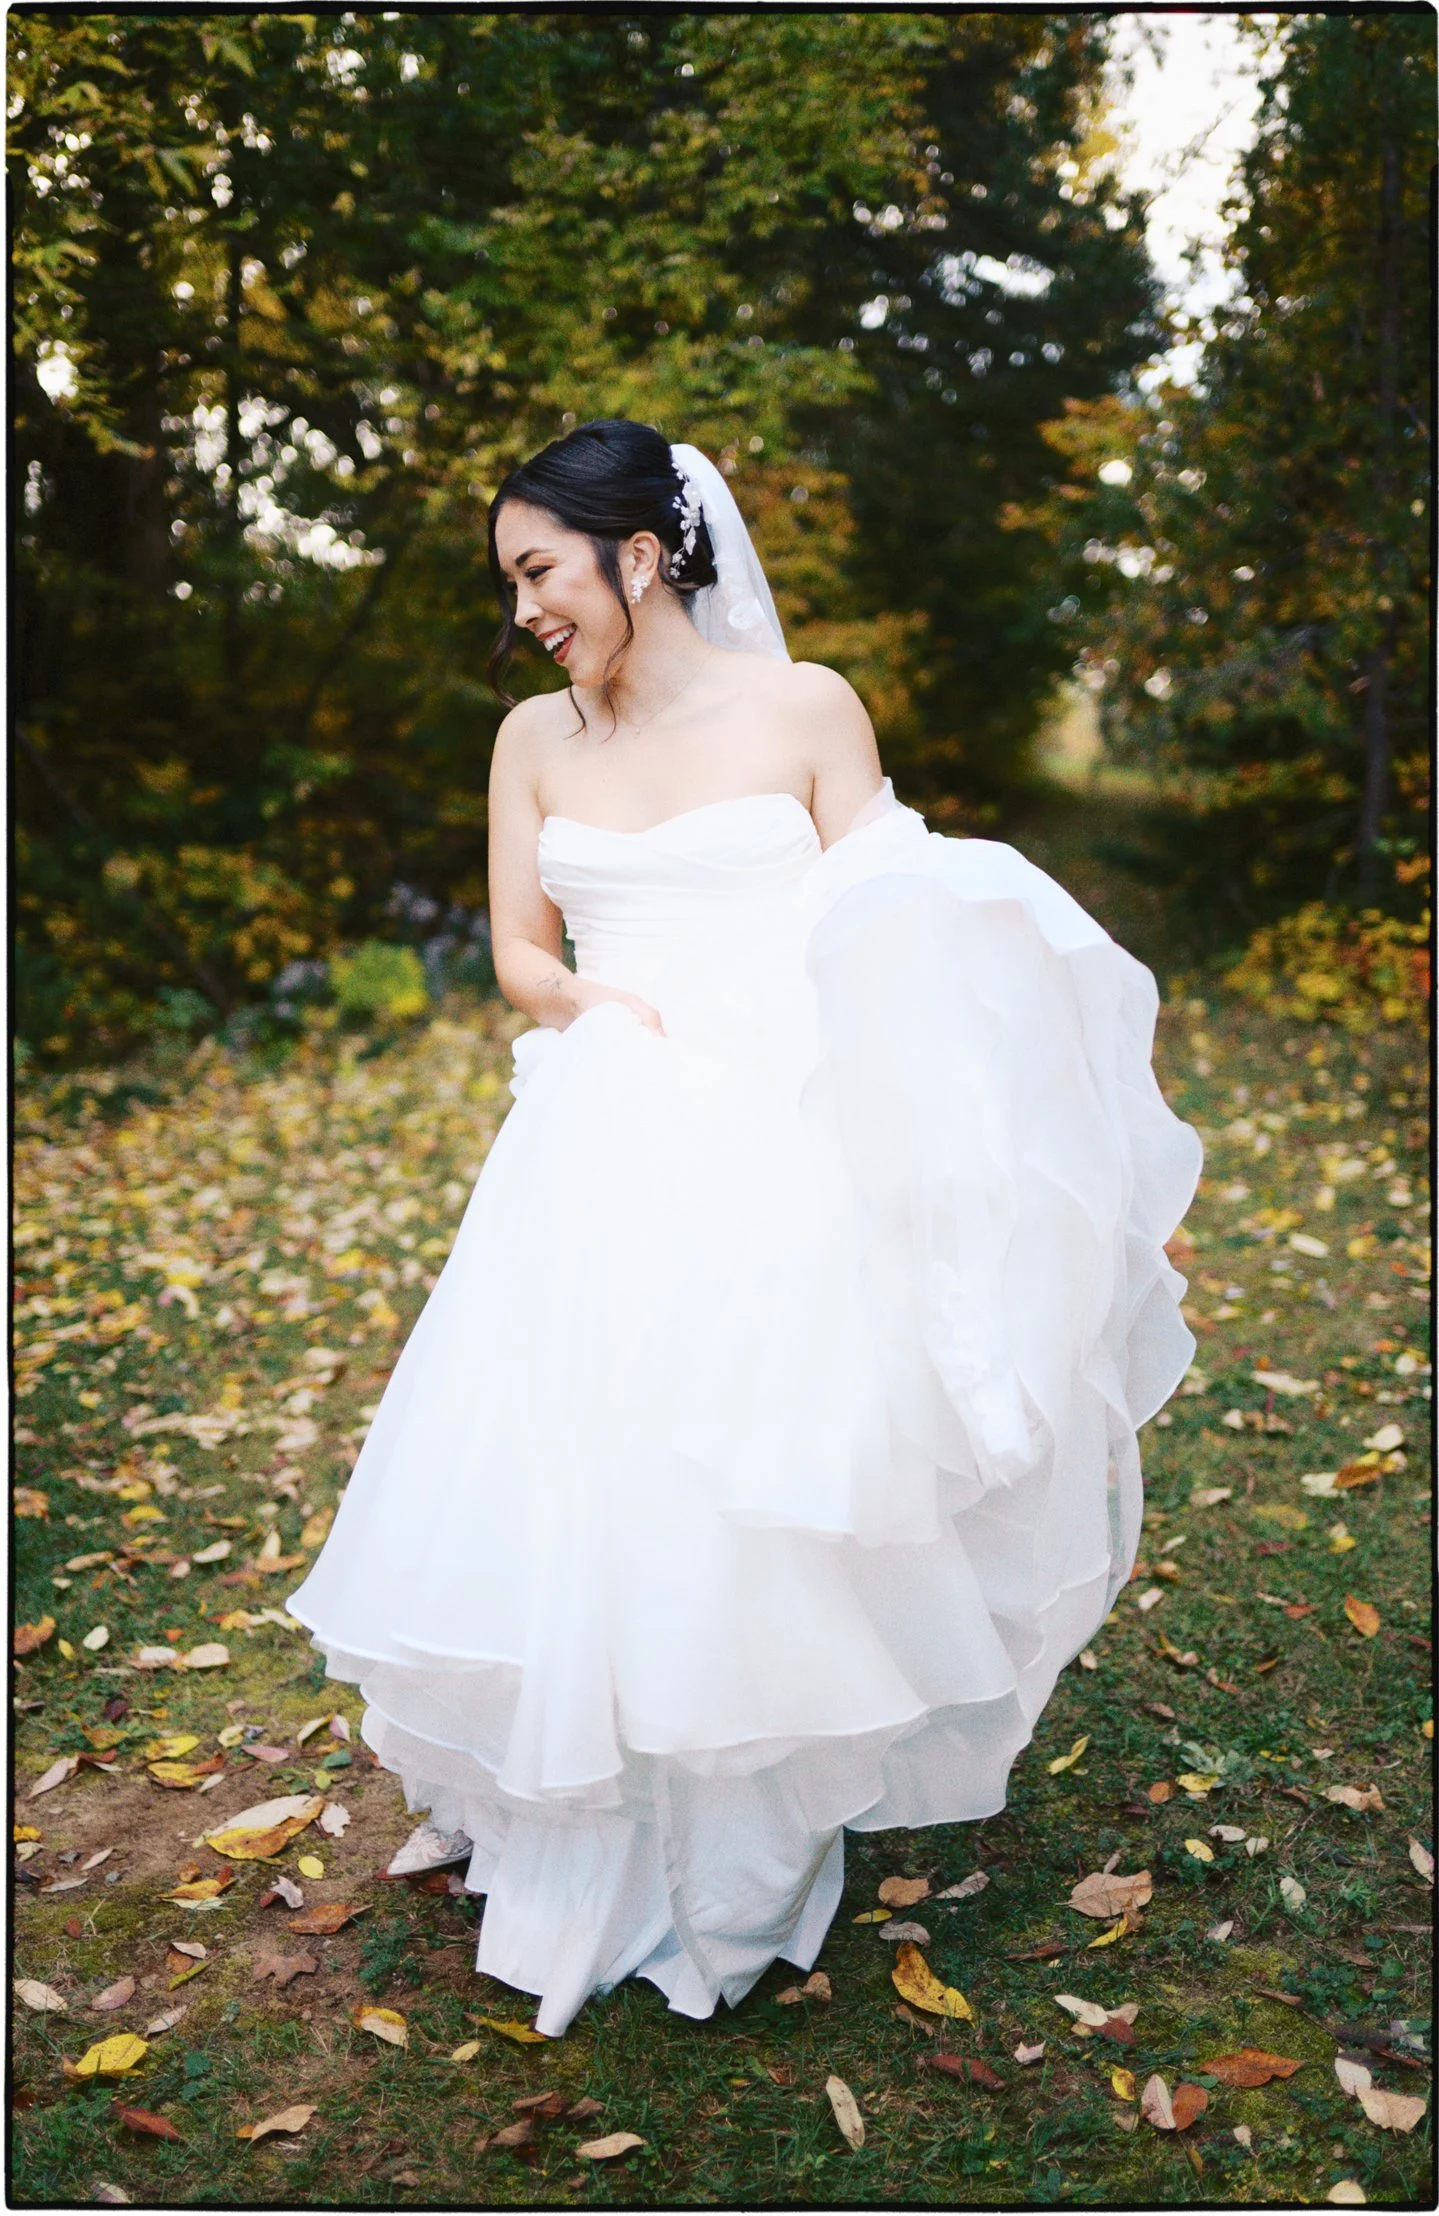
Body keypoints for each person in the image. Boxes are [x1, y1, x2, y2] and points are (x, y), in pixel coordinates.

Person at [286, 418, 1203, 2039]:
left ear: (640, 552)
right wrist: (586, 1005)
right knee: (579, 1468)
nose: (526, 610)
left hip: (788, 1121)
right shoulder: (530, 737)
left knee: (752, 1474)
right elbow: (515, 945)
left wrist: (1012, 1151)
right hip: (606, 1115)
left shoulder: (807, 709)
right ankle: (566, 1805)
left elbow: (901, 929)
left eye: (540, 570)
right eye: (512, 582)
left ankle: (730, 1823)